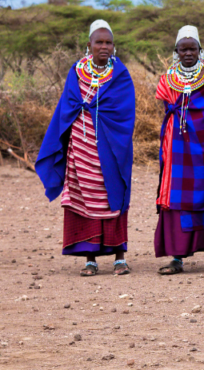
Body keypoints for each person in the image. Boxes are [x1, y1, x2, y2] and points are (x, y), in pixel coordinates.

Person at [36, 20, 136, 276]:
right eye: (99, 42)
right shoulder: (76, 71)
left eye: (108, 42)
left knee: (113, 194)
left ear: (115, 46)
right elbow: (67, 104)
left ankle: (119, 257)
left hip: (113, 146)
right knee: (84, 199)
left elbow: (125, 113)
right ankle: (90, 258)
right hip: (81, 146)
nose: (104, 46)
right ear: (88, 45)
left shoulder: (121, 75)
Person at [154, 26, 204, 275]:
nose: (188, 53)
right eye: (183, 49)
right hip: (176, 148)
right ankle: (177, 257)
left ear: (200, 50)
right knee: (176, 199)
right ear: (176, 51)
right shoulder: (168, 79)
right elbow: (169, 108)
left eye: (192, 48)